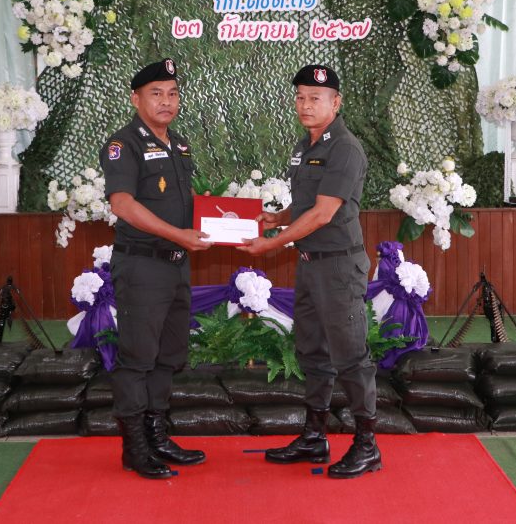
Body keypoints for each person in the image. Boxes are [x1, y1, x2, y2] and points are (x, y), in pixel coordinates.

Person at [238, 64, 381, 479]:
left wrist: (270, 244)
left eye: (315, 98)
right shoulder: (305, 145)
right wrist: (277, 219)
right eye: (300, 97)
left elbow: (323, 213)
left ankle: (367, 445)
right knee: (312, 353)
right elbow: (305, 205)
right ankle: (314, 437)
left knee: (351, 357)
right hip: (309, 265)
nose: (305, 105)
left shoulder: (345, 148)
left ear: (336, 103)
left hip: (338, 267)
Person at [99, 58, 212, 479]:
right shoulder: (123, 144)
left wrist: (228, 223)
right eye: (156, 93)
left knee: (168, 356)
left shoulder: (178, 144)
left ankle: (159, 436)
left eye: (173, 93)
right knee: (138, 359)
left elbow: (184, 202)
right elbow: (122, 204)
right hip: (143, 266)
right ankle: (135, 447)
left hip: (176, 267)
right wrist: (178, 235)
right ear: (136, 99)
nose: (167, 101)